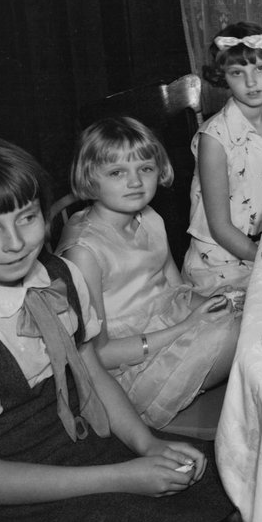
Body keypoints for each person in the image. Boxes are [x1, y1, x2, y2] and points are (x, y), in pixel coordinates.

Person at [0, 137, 245, 522]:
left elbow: (91, 370)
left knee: (250, 486)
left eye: (26, 218)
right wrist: (127, 476)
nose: (15, 242)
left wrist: (147, 443)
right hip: (22, 507)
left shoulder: (58, 273)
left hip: (91, 449)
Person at [57, 117, 241, 429]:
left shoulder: (150, 218)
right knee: (241, 334)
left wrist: (221, 305)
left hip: (172, 331)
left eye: (145, 168)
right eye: (117, 172)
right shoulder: (84, 252)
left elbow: (178, 292)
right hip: (129, 372)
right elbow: (97, 355)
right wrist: (187, 328)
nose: (135, 182)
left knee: (252, 310)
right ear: (90, 178)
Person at [182, 22, 262, 295]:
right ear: (223, 77)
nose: (251, 82)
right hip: (221, 263)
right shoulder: (215, 139)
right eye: (237, 72)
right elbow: (220, 228)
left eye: (260, 68)